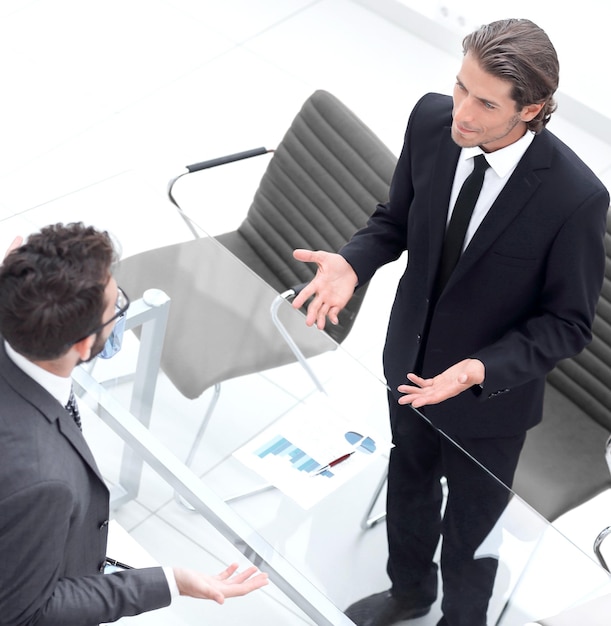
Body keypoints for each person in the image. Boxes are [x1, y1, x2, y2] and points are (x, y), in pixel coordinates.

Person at [292, 18, 609, 626]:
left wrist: (480, 369)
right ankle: (408, 592)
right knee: (408, 484)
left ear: (533, 109)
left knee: (471, 528)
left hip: (489, 403)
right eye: (460, 86)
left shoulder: (576, 198)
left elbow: (568, 324)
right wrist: (354, 266)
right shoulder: (432, 122)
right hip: (408, 361)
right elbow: (394, 221)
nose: (461, 111)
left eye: (485, 102)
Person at [0, 222, 268, 626]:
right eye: (116, 306)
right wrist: (169, 582)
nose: (120, 307)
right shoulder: (43, 479)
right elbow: (28, 611)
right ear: (83, 344)